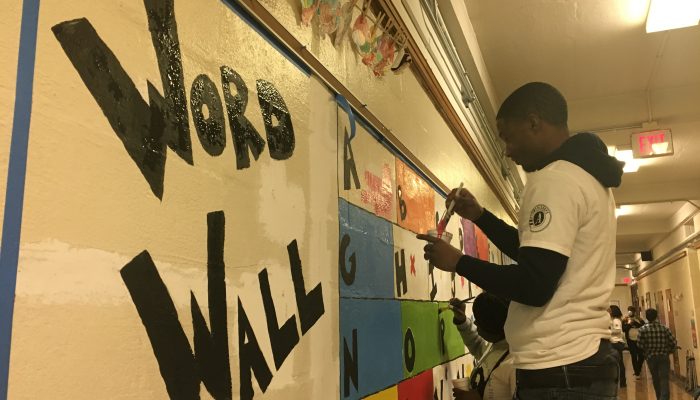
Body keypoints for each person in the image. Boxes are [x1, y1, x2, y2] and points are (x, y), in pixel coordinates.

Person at [417, 82, 624, 399]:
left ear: (533, 122)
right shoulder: (587, 178)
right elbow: (539, 255)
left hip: (559, 366)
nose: (506, 150)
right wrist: (480, 216)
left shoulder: (555, 179)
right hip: (579, 361)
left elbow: (534, 284)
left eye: (507, 137)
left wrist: (458, 262)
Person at [450, 293, 515, 400]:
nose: (475, 323)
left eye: (479, 321)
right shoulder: (497, 343)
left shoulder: (515, 362)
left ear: (492, 327)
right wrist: (462, 320)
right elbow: (477, 345)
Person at [637, 308, 677, 400]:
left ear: (646, 317)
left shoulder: (642, 330)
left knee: (655, 379)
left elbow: (639, 344)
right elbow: (673, 342)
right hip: (663, 356)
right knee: (664, 379)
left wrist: (647, 348)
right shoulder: (664, 328)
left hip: (650, 357)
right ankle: (664, 398)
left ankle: (659, 397)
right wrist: (669, 349)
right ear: (656, 316)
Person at [623, 306, 645, 378]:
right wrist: (629, 324)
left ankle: (638, 368)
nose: (630, 312)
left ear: (635, 312)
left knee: (641, 355)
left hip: (639, 339)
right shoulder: (625, 320)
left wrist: (635, 323)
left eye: (632, 311)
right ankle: (637, 372)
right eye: (629, 311)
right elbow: (624, 329)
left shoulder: (639, 319)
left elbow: (643, 326)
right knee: (634, 355)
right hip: (630, 340)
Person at [609, 305, 626, 388]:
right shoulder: (614, 320)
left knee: (618, 363)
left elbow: (617, 330)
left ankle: (622, 382)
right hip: (614, 342)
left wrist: (607, 331)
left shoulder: (616, 320)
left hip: (616, 342)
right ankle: (619, 382)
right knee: (617, 363)